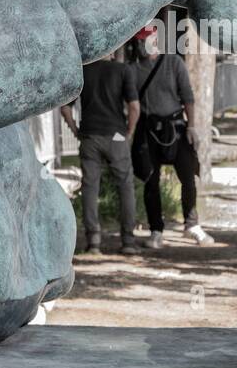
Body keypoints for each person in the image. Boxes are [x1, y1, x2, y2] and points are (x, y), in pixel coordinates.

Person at [130, 26, 214, 247]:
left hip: (176, 127)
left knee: (188, 177)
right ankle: (156, 230)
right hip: (148, 130)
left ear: (155, 40)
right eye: (140, 41)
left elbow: (188, 97)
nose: (142, 44)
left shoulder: (174, 63)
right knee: (151, 180)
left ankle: (192, 224)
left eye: (146, 40)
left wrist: (192, 127)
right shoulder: (133, 70)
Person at [61, 58, 141, 255]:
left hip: (89, 135)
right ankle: (128, 240)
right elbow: (134, 107)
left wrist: (75, 130)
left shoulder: (82, 71)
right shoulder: (123, 69)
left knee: (90, 187)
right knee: (125, 185)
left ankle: (93, 241)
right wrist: (128, 132)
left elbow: (65, 107)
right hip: (116, 135)